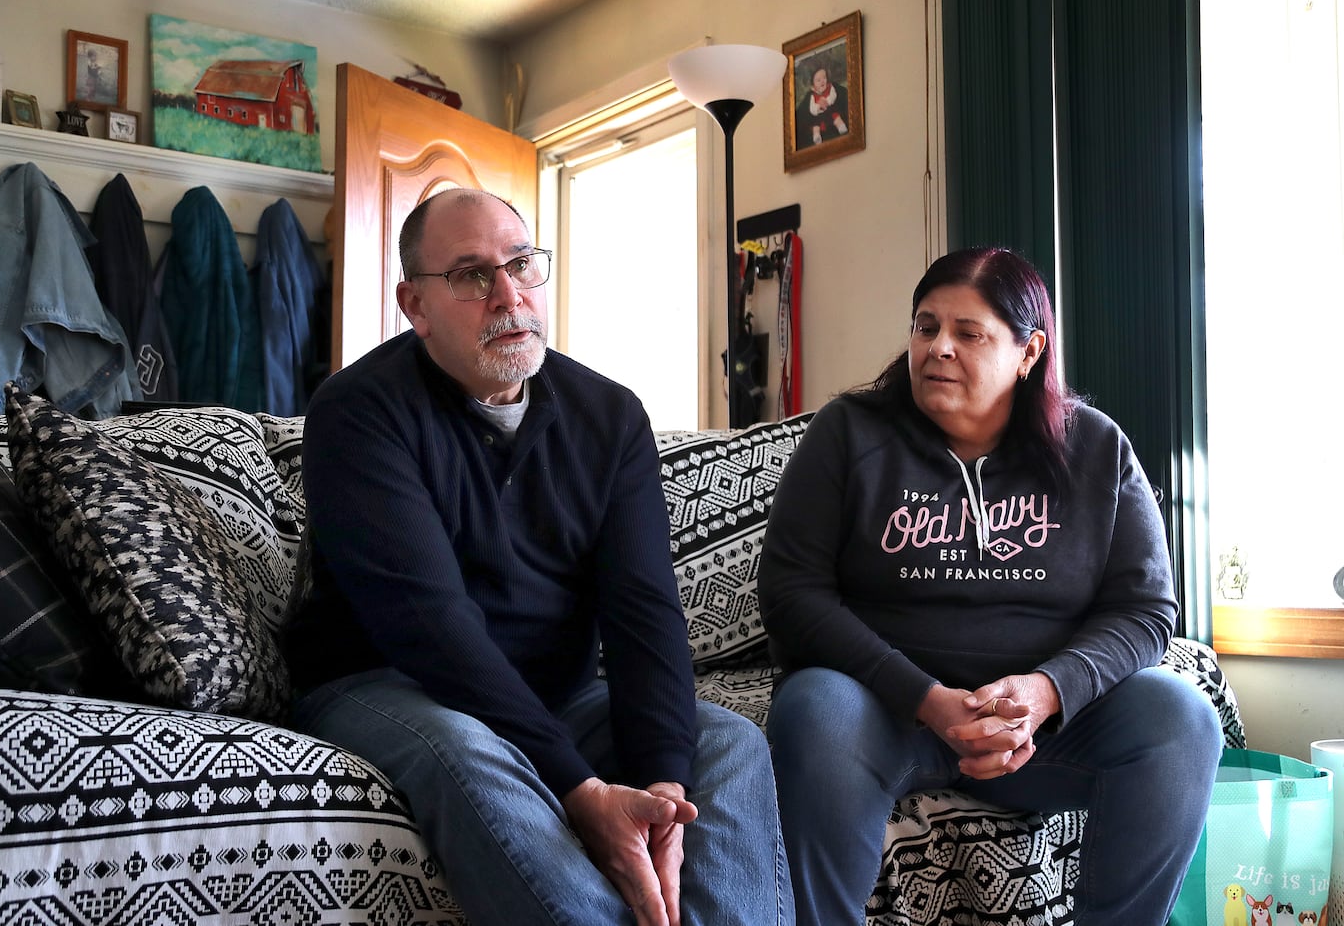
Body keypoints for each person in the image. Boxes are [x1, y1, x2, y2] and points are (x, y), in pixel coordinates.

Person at [288, 188, 792, 926]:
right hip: (388, 681)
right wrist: (580, 791)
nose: (507, 294)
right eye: (470, 274)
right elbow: (433, 629)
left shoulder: (610, 416)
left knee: (728, 742)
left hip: (555, 692)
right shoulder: (357, 412)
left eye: (521, 263)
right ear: (414, 303)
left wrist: (664, 796)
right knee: (470, 747)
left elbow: (644, 615)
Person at [758, 246, 1221, 925]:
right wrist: (926, 698)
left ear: (1029, 351)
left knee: (1182, 719)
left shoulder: (1096, 449)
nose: (937, 347)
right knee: (814, 708)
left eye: (967, 333)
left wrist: (1048, 691)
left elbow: (1146, 609)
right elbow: (792, 593)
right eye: (924, 326)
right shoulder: (848, 433)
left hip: (1045, 729)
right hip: (884, 711)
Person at [794, 65, 848, 148]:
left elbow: (833, 95)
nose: (822, 81)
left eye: (824, 78)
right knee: (816, 126)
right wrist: (818, 107)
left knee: (837, 117)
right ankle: (817, 136)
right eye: (818, 80)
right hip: (819, 115)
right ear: (813, 86)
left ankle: (841, 127)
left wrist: (827, 101)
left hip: (830, 110)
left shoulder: (831, 88)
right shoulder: (812, 96)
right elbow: (812, 108)